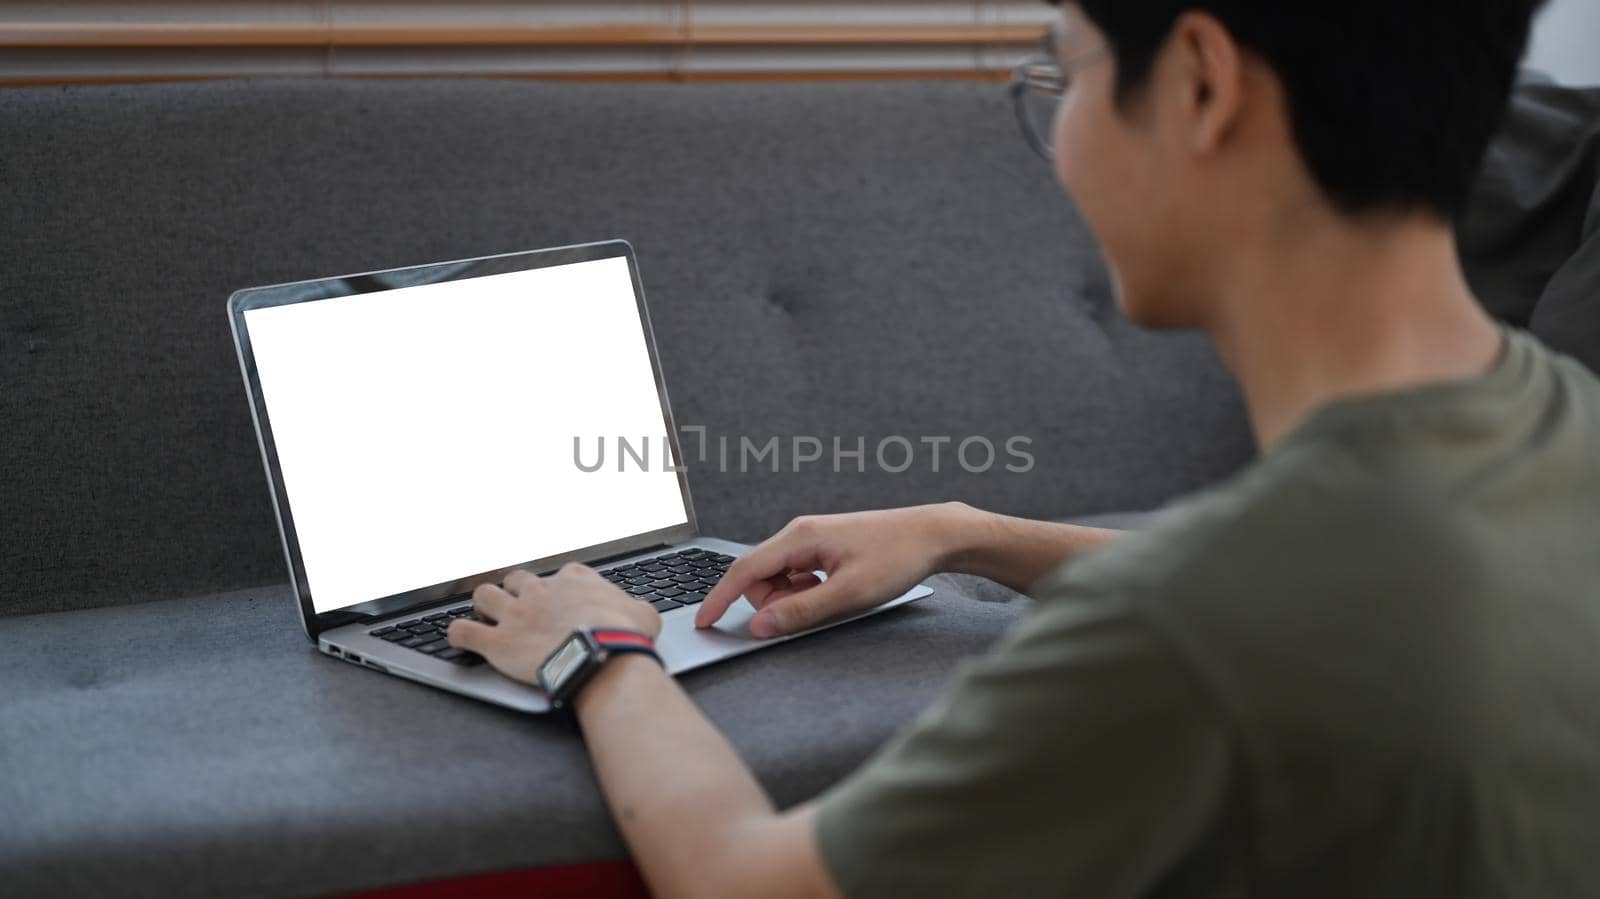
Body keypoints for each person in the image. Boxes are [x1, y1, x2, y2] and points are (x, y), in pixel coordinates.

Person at [446, 0, 1600, 895]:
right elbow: (1335, 601)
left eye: (1070, 70)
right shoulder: (1560, 432)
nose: (1059, 138)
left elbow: (751, 879)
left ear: (1199, 84)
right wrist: (968, 534)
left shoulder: (1180, 635)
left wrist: (595, 651)